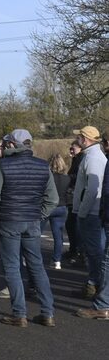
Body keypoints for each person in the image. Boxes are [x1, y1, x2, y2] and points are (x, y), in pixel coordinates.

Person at [0, 129, 57, 327]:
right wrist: (40, 215)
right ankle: (48, 312)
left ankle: (19, 313)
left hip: (9, 219)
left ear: (11, 145)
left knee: (12, 267)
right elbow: (53, 199)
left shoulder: (3, 165)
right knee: (37, 266)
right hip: (32, 220)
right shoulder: (43, 166)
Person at [71, 125, 106, 299]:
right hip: (93, 211)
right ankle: (95, 284)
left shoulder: (93, 159)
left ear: (85, 139)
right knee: (95, 250)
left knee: (94, 251)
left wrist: (82, 211)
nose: (76, 140)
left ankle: (95, 285)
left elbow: (92, 189)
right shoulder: (93, 156)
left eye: (78, 138)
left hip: (91, 212)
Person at [49, 154, 71, 270]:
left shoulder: (49, 177)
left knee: (35, 234)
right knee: (58, 236)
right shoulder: (67, 178)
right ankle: (57, 260)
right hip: (62, 207)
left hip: (49, 206)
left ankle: (30, 258)